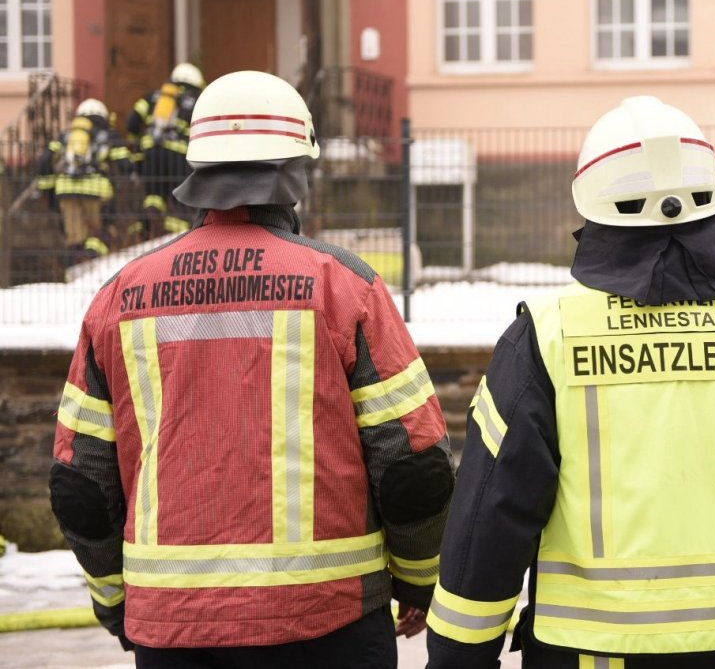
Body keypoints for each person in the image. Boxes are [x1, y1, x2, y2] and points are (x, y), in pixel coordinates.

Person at [426, 95, 715, 669]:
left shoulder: (549, 337)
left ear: (591, 203)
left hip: (587, 653)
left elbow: (493, 515)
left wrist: (458, 657)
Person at [50, 71, 453, 667]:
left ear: (197, 175)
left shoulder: (118, 299)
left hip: (174, 632)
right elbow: (414, 462)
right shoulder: (344, 287)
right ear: (295, 175)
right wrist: (418, 578)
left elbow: (80, 481)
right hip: (330, 624)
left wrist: (116, 601)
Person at [36, 98, 132, 263]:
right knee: (101, 231)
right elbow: (124, 163)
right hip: (96, 191)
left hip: (66, 191)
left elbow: (44, 162)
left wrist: (50, 192)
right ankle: (93, 261)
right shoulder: (108, 135)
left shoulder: (65, 136)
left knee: (75, 238)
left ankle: (73, 273)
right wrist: (129, 176)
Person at [127, 62, 204, 239]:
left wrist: (138, 151)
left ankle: (147, 228)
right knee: (179, 198)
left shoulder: (154, 97)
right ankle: (175, 236)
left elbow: (132, 123)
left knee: (153, 196)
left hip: (151, 153)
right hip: (179, 155)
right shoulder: (198, 99)